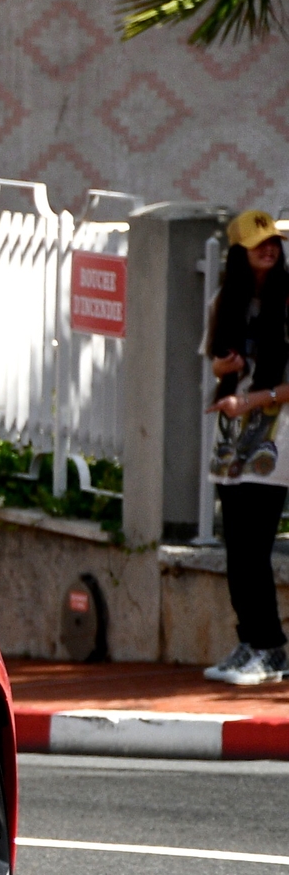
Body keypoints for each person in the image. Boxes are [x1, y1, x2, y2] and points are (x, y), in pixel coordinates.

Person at [203, 209, 289, 685]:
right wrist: (225, 368)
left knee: (255, 548)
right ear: (240, 253)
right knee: (236, 548)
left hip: (276, 440)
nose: (270, 249)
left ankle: (272, 649)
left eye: (273, 242)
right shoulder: (227, 300)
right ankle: (249, 641)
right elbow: (212, 360)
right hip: (232, 438)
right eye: (259, 243)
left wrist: (252, 400)